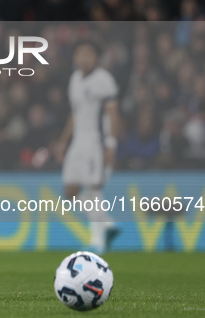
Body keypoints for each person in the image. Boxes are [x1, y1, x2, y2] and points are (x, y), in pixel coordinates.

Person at [56, 39, 120, 254]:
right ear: (74, 57)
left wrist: (111, 143)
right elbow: (74, 114)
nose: (84, 57)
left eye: (89, 53)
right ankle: (108, 223)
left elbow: (112, 112)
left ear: (96, 57)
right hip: (78, 141)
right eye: (80, 53)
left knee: (94, 189)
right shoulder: (74, 80)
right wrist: (64, 141)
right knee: (70, 191)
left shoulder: (104, 80)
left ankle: (98, 241)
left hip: (96, 140)